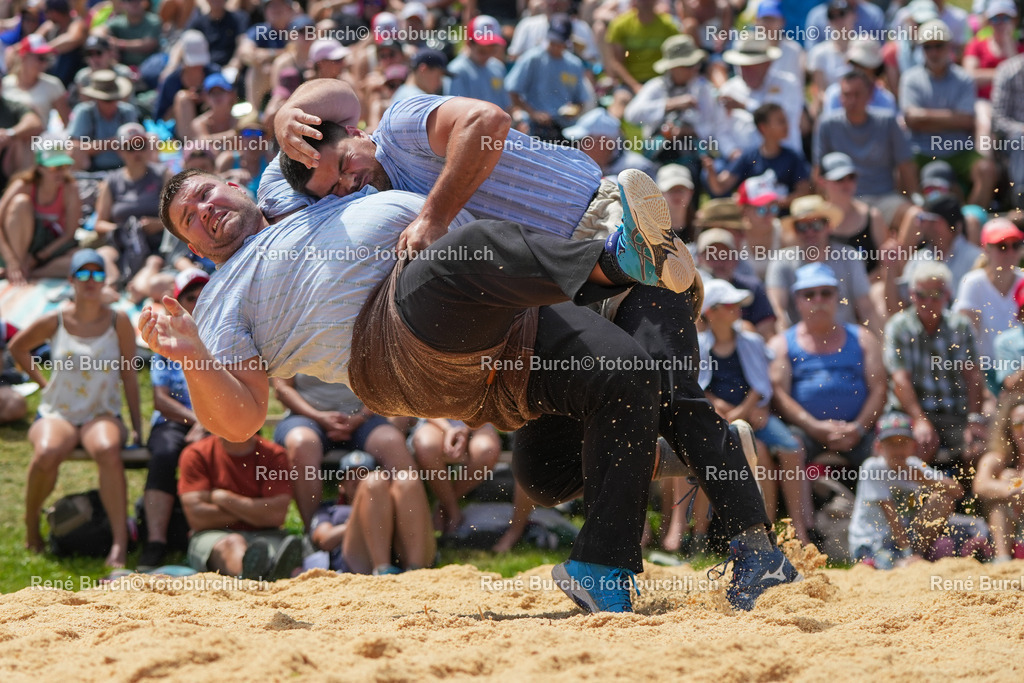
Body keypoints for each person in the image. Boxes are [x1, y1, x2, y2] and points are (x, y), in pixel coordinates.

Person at [144, 167, 796, 613]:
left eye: (204, 193)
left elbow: (325, 103)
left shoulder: (290, 191)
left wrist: (295, 118)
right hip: (402, 336)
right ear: (195, 250)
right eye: (188, 219)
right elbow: (239, 422)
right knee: (464, 253)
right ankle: (617, 261)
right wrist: (193, 356)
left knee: (613, 401)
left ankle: (707, 552)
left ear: (236, 183)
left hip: (513, 309)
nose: (204, 211)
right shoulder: (221, 300)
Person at [270, 83, 787, 611]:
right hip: (553, 301)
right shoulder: (365, 199)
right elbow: (265, 207)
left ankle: (757, 553)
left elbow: (488, 121)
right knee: (545, 475)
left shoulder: (401, 126)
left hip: (616, 234)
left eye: (344, 165)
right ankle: (705, 450)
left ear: (357, 133)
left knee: (668, 394)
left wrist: (288, 112)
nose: (347, 184)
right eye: (334, 188)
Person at [9, 249, 143, 568]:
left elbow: (129, 376)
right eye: (83, 273)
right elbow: (17, 347)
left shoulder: (119, 320)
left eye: (98, 274)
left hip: (102, 413)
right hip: (59, 411)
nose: (91, 280)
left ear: (105, 280)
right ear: (71, 280)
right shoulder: (55, 318)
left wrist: (138, 428)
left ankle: (119, 544)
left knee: (108, 449)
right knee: (46, 452)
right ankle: (31, 524)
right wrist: (44, 383)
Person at [698, 279, 813, 544]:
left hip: (748, 415)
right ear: (711, 312)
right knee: (749, 454)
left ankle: (797, 528)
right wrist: (722, 408)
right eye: (730, 305)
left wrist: (745, 410)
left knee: (791, 448)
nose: (738, 309)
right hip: (723, 416)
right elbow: (698, 387)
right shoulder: (699, 344)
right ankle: (702, 533)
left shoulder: (750, 341)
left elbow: (760, 383)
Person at [768, 263, 886, 472]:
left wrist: (858, 428)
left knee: (890, 446)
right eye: (809, 294)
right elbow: (779, 396)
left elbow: (879, 389)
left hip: (860, 430)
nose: (818, 300)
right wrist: (813, 427)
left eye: (826, 293)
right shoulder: (781, 344)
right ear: (797, 301)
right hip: (805, 431)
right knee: (790, 447)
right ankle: (800, 497)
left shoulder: (864, 339)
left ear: (837, 297)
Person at [272, 373, 426, 530]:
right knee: (301, 445)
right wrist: (318, 417)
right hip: (306, 417)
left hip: (364, 416)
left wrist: (361, 416)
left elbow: (385, 383)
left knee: (392, 443)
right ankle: (314, 530)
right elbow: (282, 388)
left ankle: (410, 531)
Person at [138, 268, 210, 571]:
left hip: (216, 419)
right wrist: (198, 420)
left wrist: (206, 423)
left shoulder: (228, 334)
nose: (198, 302)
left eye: (204, 295)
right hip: (178, 420)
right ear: (176, 306)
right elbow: (161, 400)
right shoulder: (165, 340)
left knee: (229, 447)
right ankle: (155, 542)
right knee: (165, 453)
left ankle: (217, 536)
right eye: (190, 297)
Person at [883, 261, 986, 468]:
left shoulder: (961, 326)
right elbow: (900, 381)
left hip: (955, 414)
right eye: (922, 295)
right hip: (911, 414)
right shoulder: (899, 327)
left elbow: (973, 376)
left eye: (936, 294)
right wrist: (920, 420)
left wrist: (974, 419)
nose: (928, 301)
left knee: (978, 451)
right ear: (911, 295)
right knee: (911, 448)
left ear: (947, 295)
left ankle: (962, 489)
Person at [178, 433, 303, 580]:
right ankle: (253, 576)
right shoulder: (196, 453)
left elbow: (276, 515)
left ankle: (257, 576)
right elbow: (197, 517)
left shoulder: (275, 454)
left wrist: (225, 499)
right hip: (213, 535)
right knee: (233, 543)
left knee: (265, 549)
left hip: (267, 535)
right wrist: (256, 512)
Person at [900, 19, 997, 208]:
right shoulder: (910, 79)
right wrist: (952, 118)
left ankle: (970, 216)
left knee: (987, 170)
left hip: (959, 150)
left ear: (949, 46)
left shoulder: (964, 78)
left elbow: (966, 120)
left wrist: (925, 119)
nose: (933, 52)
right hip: (920, 151)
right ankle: (916, 215)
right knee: (901, 167)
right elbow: (911, 119)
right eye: (928, 47)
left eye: (938, 45)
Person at [847, 412, 965, 569]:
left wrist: (926, 480)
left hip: (906, 537)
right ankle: (905, 561)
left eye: (903, 442)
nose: (898, 448)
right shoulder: (873, 467)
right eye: (891, 443)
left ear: (913, 446)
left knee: (943, 498)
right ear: (879, 447)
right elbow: (891, 515)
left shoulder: (914, 465)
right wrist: (907, 553)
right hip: (872, 540)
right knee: (886, 562)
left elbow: (957, 491)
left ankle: (917, 556)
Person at [309, 451, 436, 575]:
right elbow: (324, 540)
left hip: (401, 550)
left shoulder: (392, 499)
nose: (357, 479)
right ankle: (382, 569)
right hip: (358, 559)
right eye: (351, 475)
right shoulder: (330, 508)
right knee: (374, 482)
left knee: (407, 479)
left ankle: (415, 570)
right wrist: (367, 522)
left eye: (363, 474)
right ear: (341, 485)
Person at [765, 195, 879, 333]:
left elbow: (866, 308)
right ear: (795, 231)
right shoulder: (781, 260)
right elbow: (777, 310)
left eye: (816, 225)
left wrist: (879, 342)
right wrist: (786, 343)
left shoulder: (849, 256)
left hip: (846, 339)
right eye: (802, 227)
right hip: (801, 342)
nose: (809, 232)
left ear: (828, 226)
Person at [952, 218, 1024, 393]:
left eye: (1016, 245)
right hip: (985, 372)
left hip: (1018, 369)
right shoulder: (973, 283)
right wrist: (981, 390)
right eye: (1002, 246)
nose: (1010, 252)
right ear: (986, 249)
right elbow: (967, 341)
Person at [0, 148, 80, 286]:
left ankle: (27, 271)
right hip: (18, 246)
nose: (61, 172)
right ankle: (19, 267)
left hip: (48, 247)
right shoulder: (23, 185)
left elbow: (69, 234)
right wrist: (11, 260)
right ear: (40, 168)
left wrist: (38, 257)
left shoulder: (70, 189)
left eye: (65, 166)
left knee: (82, 262)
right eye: (55, 167)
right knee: (20, 203)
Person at [409, 419, 501, 534]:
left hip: (477, 421)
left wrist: (465, 429)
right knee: (426, 447)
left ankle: (444, 507)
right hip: (435, 420)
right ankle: (453, 512)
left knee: (487, 451)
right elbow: (425, 409)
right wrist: (448, 429)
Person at [973, 393, 1024, 563]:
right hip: (1007, 528)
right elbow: (980, 485)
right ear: (1009, 429)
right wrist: (1013, 489)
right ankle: (1003, 559)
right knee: (1006, 479)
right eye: (1018, 424)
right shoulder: (996, 459)